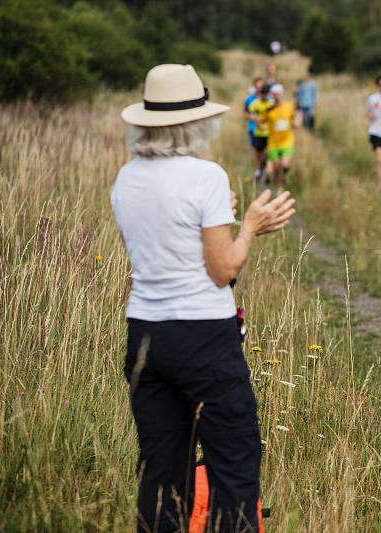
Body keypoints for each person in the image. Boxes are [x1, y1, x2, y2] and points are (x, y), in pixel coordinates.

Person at [113, 64, 295, 532]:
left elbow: (165, 248)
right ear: (195, 122)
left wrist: (222, 221)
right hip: (203, 337)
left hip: (145, 336)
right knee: (234, 459)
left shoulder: (126, 178)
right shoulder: (204, 177)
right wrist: (250, 227)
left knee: (161, 469)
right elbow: (223, 270)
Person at [257, 83, 297, 189]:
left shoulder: (289, 106)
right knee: (275, 169)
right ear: (271, 95)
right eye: (274, 94)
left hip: (287, 141)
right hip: (273, 143)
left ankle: (285, 175)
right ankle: (279, 188)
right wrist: (262, 128)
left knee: (285, 165)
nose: (276, 97)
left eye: (278, 94)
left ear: (282, 94)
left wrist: (296, 122)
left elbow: (295, 117)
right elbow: (260, 120)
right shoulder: (269, 110)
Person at [247, 83, 273, 188]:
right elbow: (251, 114)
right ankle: (259, 170)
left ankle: (267, 171)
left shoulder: (271, 104)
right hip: (258, 133)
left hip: (270, 133)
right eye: (262, 94)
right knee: (259, 152)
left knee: (268, 153)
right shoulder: (255, 103)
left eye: (266, 94)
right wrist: (257, 121)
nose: (264, 96)